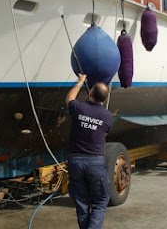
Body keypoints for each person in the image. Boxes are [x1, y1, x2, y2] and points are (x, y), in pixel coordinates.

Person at [65, 73, 113, 229]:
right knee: (100, 201)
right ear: (104, 99)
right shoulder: (107, 116)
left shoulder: (79, 108)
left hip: (76, 161)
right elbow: (103, 133)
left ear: (90, 93)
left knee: (82, 202)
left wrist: (80, 82)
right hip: (95, 162)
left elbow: (69, 99)